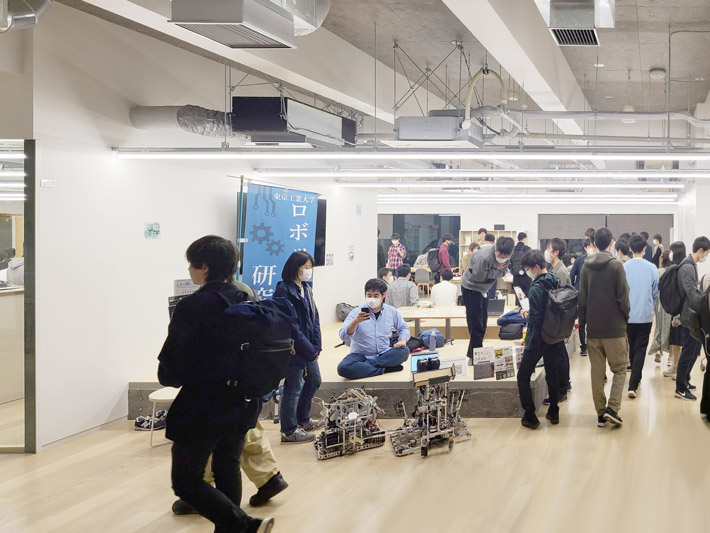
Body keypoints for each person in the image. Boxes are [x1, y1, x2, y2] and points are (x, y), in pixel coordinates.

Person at [157, 235, 275, 533]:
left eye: (192, 265)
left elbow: (172, 368)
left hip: (203, 405)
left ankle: (244, 525)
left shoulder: (193, 306)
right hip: (242, 401)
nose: (189, 271)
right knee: (227, 466)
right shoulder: (245, 298)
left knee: (185, 481)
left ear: (204, 268)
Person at [578, 227, 630, 427]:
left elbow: (582, 299)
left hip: (594, 330)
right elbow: (623, 298)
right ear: (611, 243)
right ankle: (612, 408)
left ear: (593, 244)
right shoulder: (616, 266)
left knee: (597, 373)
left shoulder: (585, 267)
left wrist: (583, 326)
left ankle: (600, 414)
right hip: (615, 328)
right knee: (619, 369)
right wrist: (625, 317)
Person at [274, 251, 323, 444]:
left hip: (309, 346)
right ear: (296, 268)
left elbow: (314, 317)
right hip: (293, 347)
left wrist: (317, 345)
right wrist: (308, 348)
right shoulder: (283, 290)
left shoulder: (306, 288)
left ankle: (304, 419)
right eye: (307, 267)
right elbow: (290, 325)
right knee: (293, 387)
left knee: (314, 381)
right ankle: (289, 430)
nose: (309, 271)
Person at [517, 250, 565, 429]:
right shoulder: (555, 280)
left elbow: (536, 318)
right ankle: (553, 411)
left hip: (537, 338)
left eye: (528, 268)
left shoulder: (536, 287)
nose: (528, 272)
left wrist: (526, 313)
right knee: (552, 372)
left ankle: (530, 415)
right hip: (554, 335)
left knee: (523, 376)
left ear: (536, 267)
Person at [337, 278, 410, 379]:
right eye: (369, 295)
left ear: (383, 295)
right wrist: (356, 321)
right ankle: (384, 369)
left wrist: (402, 340)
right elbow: (343, 335)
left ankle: (368, 366)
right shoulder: (356, 312)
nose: (372, 299)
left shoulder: (391, 311)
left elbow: (403, 327)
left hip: (384, 353)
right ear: (365, 295)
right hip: (360, 355)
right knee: (343, 368)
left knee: (404, 351)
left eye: (376, 296)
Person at [461, 236, 515, 359]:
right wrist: (495, 270)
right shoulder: (484, 257)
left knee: (483, 321)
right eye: (500, 255)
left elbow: (503, 272)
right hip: (471, 288)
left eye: (505, 256)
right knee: (476, 323)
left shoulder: (507, 253)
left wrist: (492, 272)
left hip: (484, 289)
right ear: (495, 247)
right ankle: (476, 356)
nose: (502, 258)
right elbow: (478, 277)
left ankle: (474, 353)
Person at [674, 236, 710, 401]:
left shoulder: (690, 265)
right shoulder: (688, 267)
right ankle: (680, 388)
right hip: (689, 316)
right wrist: (704, 300)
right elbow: (690, 293)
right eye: (707, 253)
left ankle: (685, 380)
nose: (706, 257)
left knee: (694, 350)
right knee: (688, 352)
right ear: (701, 251)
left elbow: (692, 290)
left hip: (692, 314)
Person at [624, 234, 660, 398]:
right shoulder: (652, 267)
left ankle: (634, 378)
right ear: (645, 249)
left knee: (632, 345)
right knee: (640, 349)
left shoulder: (624, 267)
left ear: (630, 249)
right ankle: (633, 383)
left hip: (628, 314)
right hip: (645, 314)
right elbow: (655, 292)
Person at [543, 237, 572, 401]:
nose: (547, 251)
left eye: (549, 248)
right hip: (558, 319)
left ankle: (561, 390)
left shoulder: (559, 272)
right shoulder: (555, 269)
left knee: (558, 355)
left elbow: (559, 297)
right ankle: (565, 384)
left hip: (558, 319)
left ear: (556, 252)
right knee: (560, 353)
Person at [664, 241, 688, 379]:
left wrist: (677, 314)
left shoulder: (682, 269)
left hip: (681, 311)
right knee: (675, 340)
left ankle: (680, 370)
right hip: (675, 311)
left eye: (671, 250)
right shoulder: (675, 268)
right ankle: (675, 366)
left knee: (682, 340)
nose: (670, 253)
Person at [570, 237, 594, 357]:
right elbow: (571, 276)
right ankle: (583, 346)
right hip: (581, 294)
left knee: (592, 322)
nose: (591, 248)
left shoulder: (596, 261)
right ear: (585, 248)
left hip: (594, 295)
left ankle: (591, 344)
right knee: (582, 321)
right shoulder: (579, 261)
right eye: (589, 246)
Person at [649, 249, 672, 364]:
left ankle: (658, 352)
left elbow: (654, 288)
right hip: (671, 304)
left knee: (659, 327)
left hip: (659, 303)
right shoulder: (674, 271)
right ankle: (671, 357)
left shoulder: (658, 272)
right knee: (670, 329)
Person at [510, 232, 532, 303]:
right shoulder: (527, 249)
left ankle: (518, 312)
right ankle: (527, 313)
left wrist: (512, 271)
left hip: (516, 277)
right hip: (526, 276)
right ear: (525, 239)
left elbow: (509, 263)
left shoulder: (512, 249)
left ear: (518, 239)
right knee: (527, 296)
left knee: (518, 297)